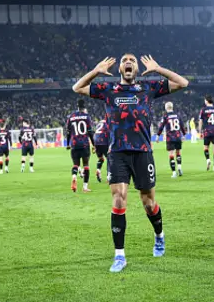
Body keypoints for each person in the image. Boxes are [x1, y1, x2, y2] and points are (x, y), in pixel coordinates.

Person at [72, 54, 188, 273]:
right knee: (118, 199)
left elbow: (183, 83)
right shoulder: (108, 90)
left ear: (136, 69)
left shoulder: (149, 87)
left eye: (132, 60)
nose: (128, 62)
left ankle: (159, 236)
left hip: (143, 152)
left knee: (148, 202)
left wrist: (158, 68)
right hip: (117, 153)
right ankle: (119, 256)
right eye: (125, 60)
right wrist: (96, 71)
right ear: (119, 69)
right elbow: (77, 88)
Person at [66, 100, 94, 193]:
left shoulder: (71, 117)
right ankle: (85, 187)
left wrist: (67, 144)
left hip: (74, 144)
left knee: (75, 165)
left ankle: (74, 177)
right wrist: (94, 144)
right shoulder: (86, 117)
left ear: (77, 107)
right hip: (84, 144)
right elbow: (90, 131)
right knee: (86, 165)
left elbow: (68, 132)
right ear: (84, 107)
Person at [157, 101, 187, 178]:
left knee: (171, 154)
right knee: (178, 152)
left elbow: (161, 126)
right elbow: (182, 126)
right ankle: (179, 167)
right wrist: (184, 134)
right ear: (172, 107)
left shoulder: (165, 116)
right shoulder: (178, 115)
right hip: (178, 137)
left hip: (170, 137)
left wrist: (158, 135)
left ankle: (174, 172)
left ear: (166, 108)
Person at [198, 95, 214, 171]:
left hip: (206, 132)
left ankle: (208, 160)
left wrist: (199, 132)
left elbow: (200, 121)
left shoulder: (203, 110)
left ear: (206, 101)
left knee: (206, 147)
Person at [94, 116, 110, 183]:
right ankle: (108, 177)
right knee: (110, 159)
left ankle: (98, 170)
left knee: (101, 159)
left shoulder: (99, 122)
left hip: (96, 142)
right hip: (104, 142)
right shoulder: (109, 122)